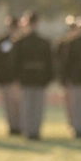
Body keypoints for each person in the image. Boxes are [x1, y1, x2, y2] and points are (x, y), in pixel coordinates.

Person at [13, 12, 55, 140]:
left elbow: (48, 62)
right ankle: (28, 130)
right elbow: (15, 62)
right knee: (27, 106)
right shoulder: (20, 42)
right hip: (26, 78)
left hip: (39, 78)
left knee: (37, 107)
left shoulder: (43, 42)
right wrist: (17, 78)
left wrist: (47, 78)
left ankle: (35, 130)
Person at [0, 15, 23, 136]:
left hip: (20, 80)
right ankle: (12, 127)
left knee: (21, 105)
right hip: (6, 79)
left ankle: (21, 126)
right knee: (9, 105)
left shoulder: (23, 41)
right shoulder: (1, 41)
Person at [56, 15, 79, 131]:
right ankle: (72, 123)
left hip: (79, 78)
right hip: (68, 79)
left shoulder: (80, 44)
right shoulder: (63, 44)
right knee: (70, 102)